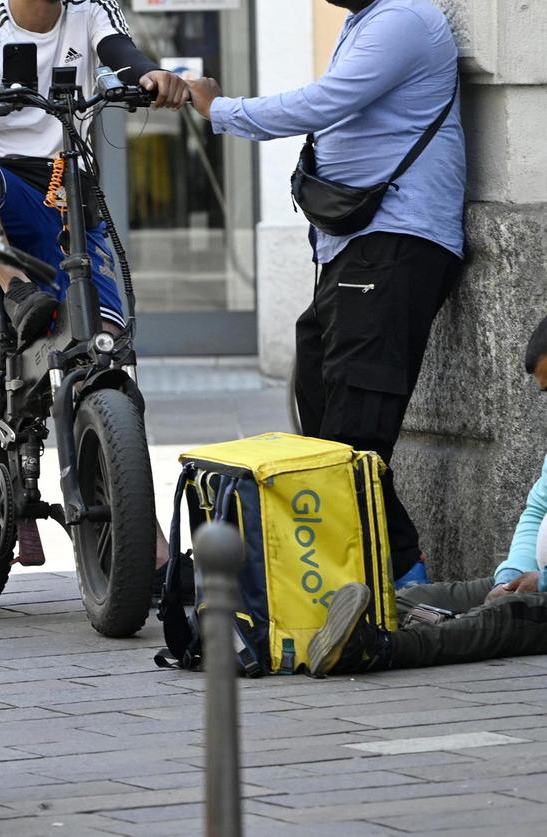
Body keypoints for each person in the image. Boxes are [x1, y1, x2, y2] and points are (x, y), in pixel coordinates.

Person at [187, 0, 465, 583]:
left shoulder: (403, 20)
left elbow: (325, 102)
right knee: (322, 399)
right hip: (359, 243)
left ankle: (400, 576)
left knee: (353, 428)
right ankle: (388, 565)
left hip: (396, 241)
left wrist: (222, 109)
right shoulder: (366, 20)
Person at [0, 0, 189, 344]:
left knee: (105, 343)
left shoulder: (93, 8)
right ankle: (14, 286)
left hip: (68, 191)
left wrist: (149, 74)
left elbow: (123, 56)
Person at [307, 314, 547, 675]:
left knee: (499, 618)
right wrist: (508, 576)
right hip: (534, 578)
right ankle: (313, 633)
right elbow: (537, 509)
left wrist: (539, 583)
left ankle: (379, 650)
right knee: (402, 600)